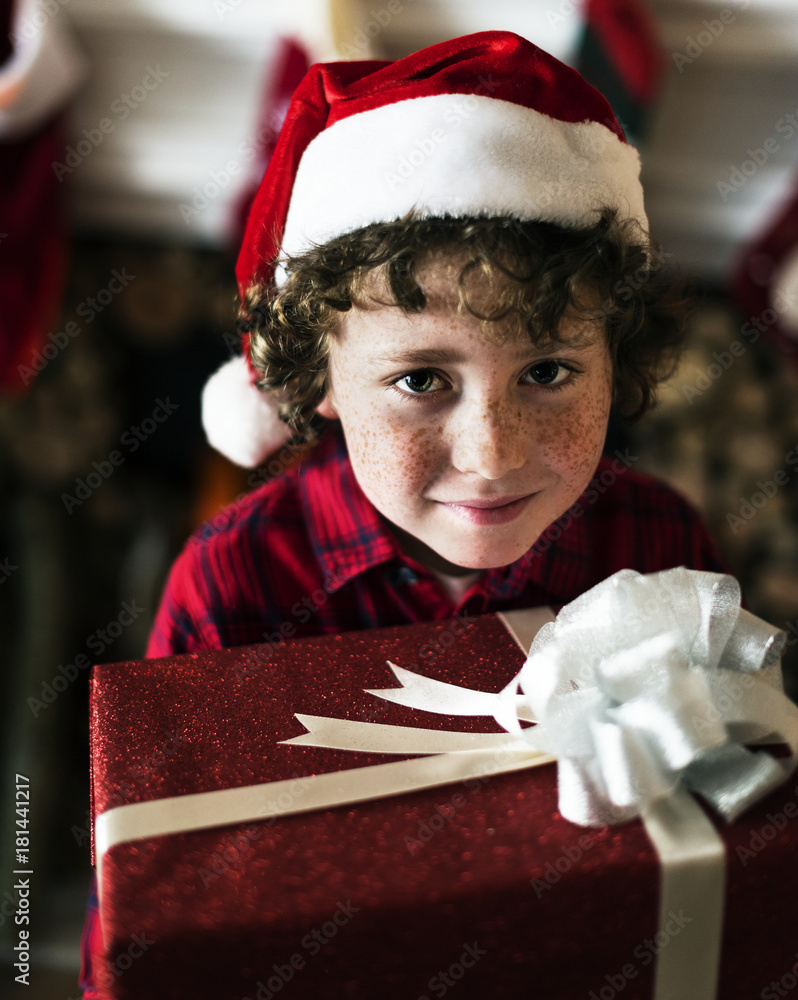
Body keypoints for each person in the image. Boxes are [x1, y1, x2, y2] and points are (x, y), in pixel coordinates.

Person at [80, 30, 724, 996]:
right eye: (422, 378)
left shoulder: (658, 544)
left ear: (616, 358)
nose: (494, 454)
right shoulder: (236, 584)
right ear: (320, 383)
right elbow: (153, 897)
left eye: (548, 371)